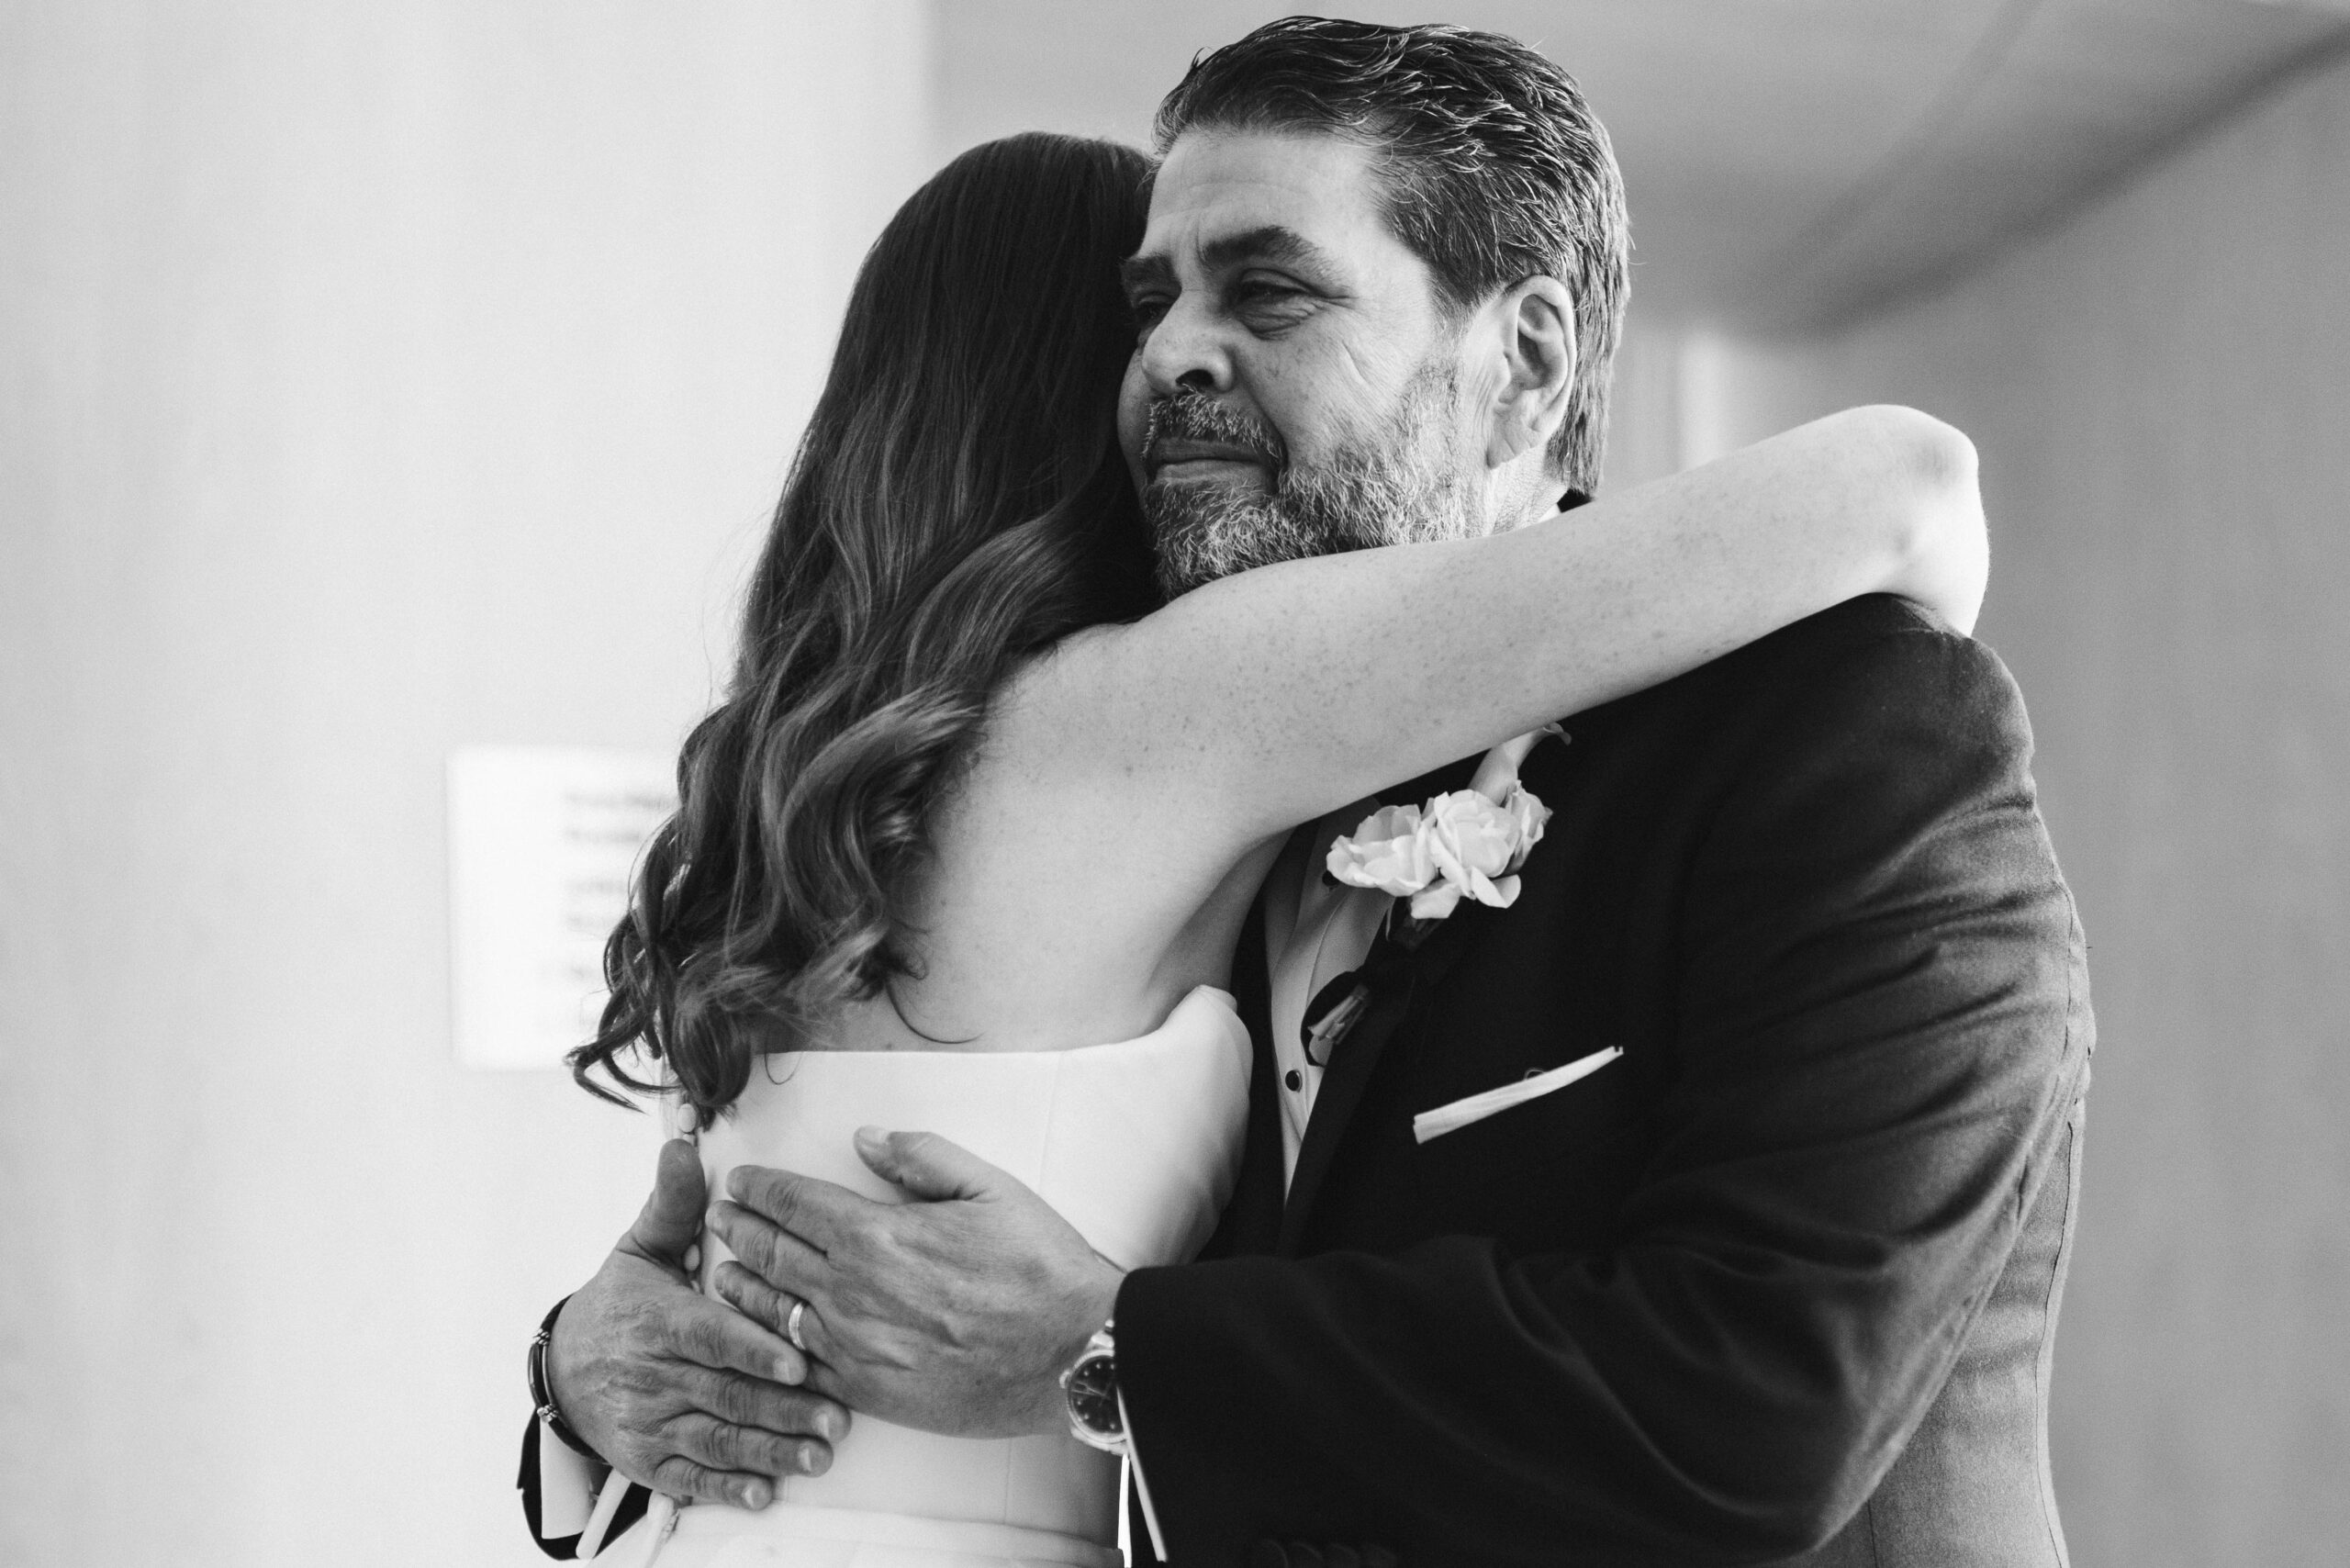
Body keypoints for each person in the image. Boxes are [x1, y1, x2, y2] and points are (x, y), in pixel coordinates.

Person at [522, 24, 2061, 1568]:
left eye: (1267, 289)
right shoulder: (1184, 756)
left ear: (1525, 357)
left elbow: (1756, 1407)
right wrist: (592, 1364)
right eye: (1143, 306)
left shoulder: (1839, 733)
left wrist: (1110, 1355)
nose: (1173, 356)